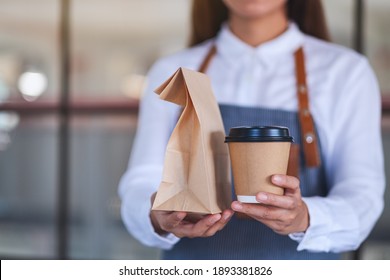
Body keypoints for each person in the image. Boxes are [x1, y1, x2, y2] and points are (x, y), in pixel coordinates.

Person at [118, 0, 385, 259]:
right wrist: (157, 214)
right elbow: (141, 179)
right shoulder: (173, 72)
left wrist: (306, 217)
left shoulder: (345, 72)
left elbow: (362, 196)